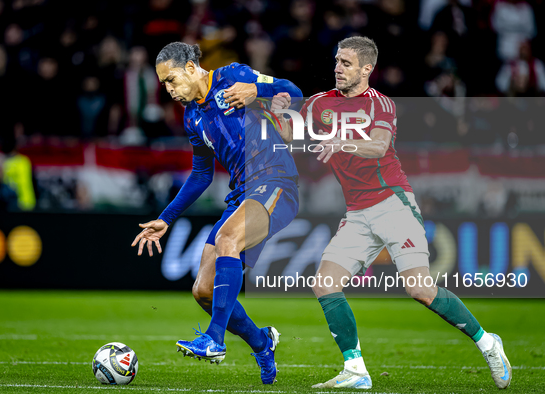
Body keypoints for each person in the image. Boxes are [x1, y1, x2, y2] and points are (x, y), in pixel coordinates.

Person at [273, 36, 511, 390]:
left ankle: (488, 343)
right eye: (337, 61)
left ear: (367, 69)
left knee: (420, 290)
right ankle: (356, 370)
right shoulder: (319, 103)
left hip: (391, 203)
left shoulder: (380, 105)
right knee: (324, 284)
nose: (338, 68)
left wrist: (342, 140)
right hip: (357, 211)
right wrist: (278, 113)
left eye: (347, 63)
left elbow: (379, 145)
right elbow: (290, 136)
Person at [131, 42, 302, 384]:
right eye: (164, 84)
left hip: (275, 180)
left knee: (227, 239)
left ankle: (215, 339)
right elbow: (201, 175)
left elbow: (293, 91)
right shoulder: (192, 116)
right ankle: (262, 341)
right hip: (242, 194)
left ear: (192, 68)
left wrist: (257, 89)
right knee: (203, 290)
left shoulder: (233, 76)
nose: (169, 90)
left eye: (172, 80)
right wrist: (166, 217)